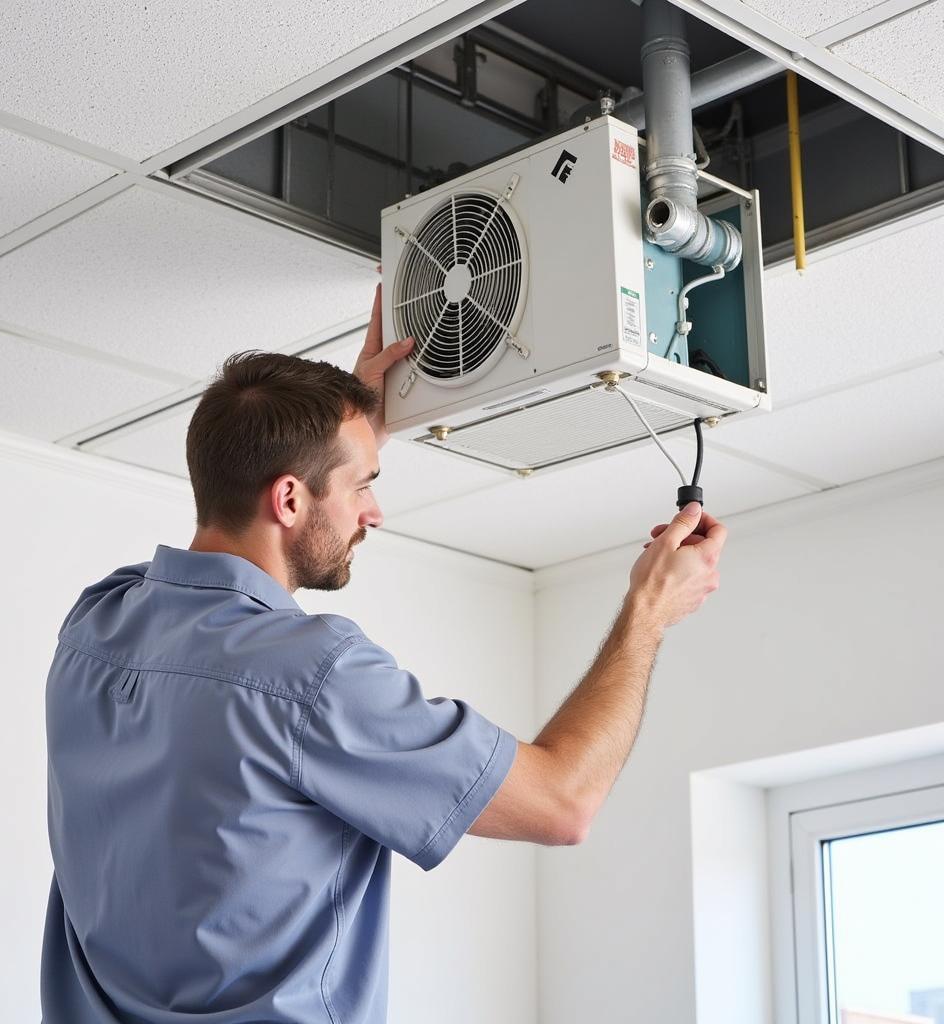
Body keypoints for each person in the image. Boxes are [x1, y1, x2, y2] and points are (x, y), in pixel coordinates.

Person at [40, 284, 725, 1024]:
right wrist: (648, 611)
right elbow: (564, 803)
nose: (375, 510)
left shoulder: (96, 625)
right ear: (291, 500)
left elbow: (277, 482)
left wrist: (353, 427)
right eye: (363, 485)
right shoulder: (311, 676)